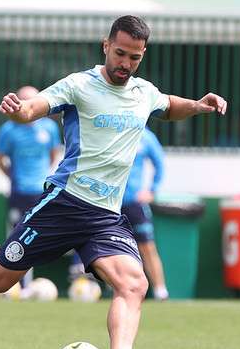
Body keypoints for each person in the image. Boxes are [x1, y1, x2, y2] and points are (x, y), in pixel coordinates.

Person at [0, 15, 227, 349]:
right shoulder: (79, 85)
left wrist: (199, 105)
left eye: (135, 58)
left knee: (133, 284)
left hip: (106, 217)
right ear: (106, 46)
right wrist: (20, 111)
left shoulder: (143, 92)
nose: (126, 64)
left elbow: (167, 106)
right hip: (64, 205)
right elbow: (35, 107)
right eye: (121, 53)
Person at [69, 127, 169, 300]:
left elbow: (160, 164)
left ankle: (161, 291)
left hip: (133, 202)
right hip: (106, 202)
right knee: (96, 243)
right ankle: (104, 287)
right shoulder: (109, 130)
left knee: (147, 246)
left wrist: (152, 191)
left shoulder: (146, 136)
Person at [0, 85, 61, 290]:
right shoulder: (8, 130)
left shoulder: (49, 128)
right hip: (19, 192)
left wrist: (42, 177)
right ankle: (18, 286)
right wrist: (13, 177)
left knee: (46, 236)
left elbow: (53, 154)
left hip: (43, 193)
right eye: (23, 100)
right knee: (18, 236)